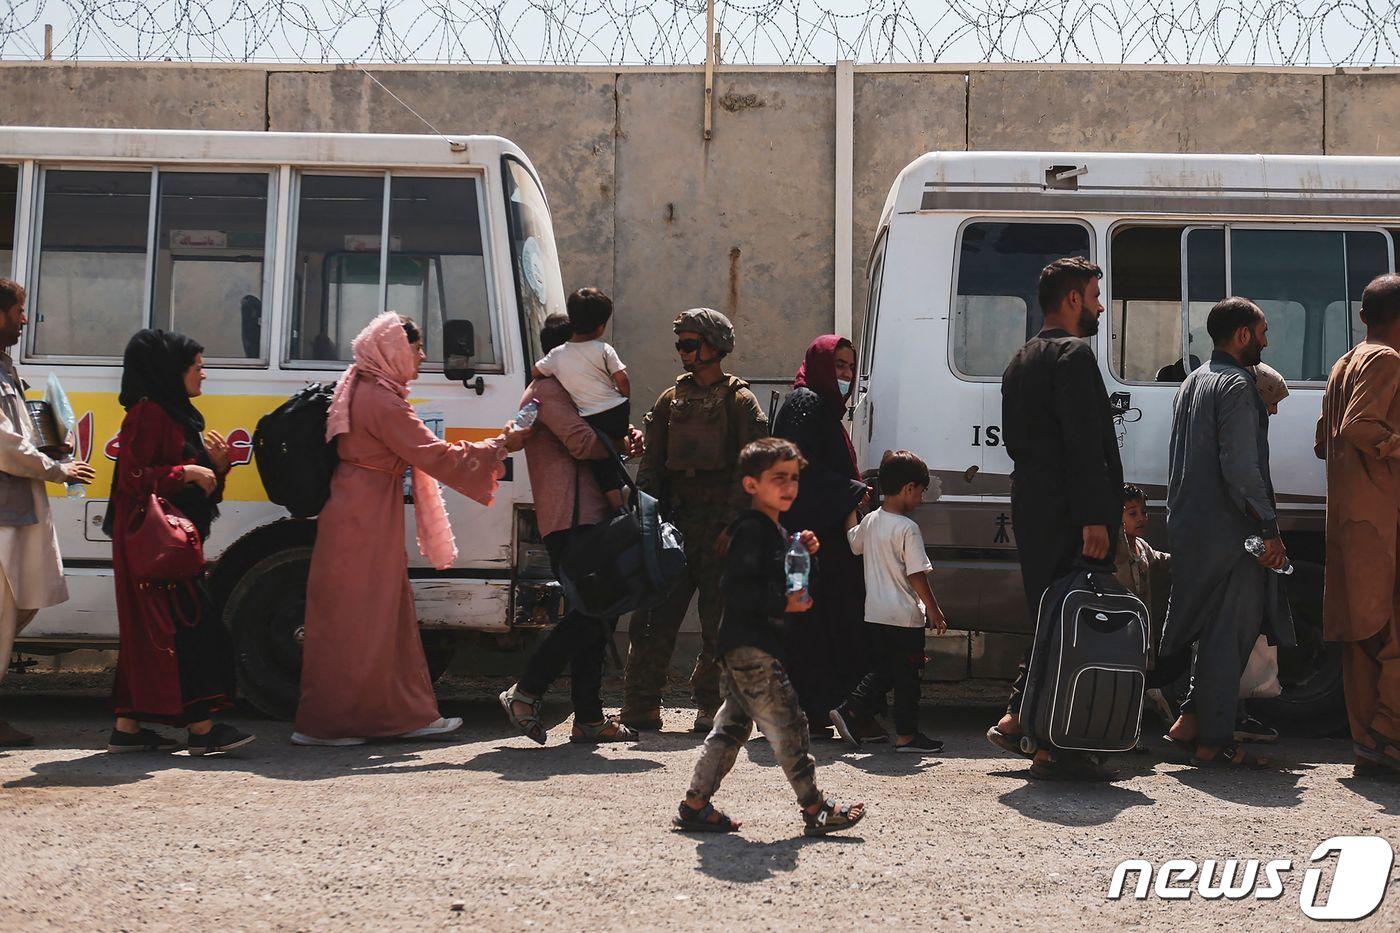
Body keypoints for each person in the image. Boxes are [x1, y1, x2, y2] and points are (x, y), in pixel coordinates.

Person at [292, 312, 527, 746]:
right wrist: (501, 444)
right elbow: (437, 456)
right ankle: (347, 722)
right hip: (365, 517)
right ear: (394, 351)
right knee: (368, 619)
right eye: (416, 348)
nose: (421, 356)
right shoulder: (382, 401)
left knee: (360, 617)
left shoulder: (358, 386)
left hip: (354, 508)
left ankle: (381, 715)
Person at [671, 437, 865, 836]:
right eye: (778, 478)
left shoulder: (773, 530)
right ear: (751, 484)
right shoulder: (751, 530)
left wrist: (804, 553)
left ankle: (695, 805)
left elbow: (782, 579)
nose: (789, 486)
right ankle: (815, 807)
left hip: (747, 647)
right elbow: (739, 589)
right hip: (753, 648)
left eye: (793, 478)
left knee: (731, 728)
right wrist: (783, 602)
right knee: (790, 723)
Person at [987, 257, 1123, 781]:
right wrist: (1093, 517)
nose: (1099, 307)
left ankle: (1021, 718)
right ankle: (1052, 742)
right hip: (1071, 512)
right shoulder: (1074, 355)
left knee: (1049, 616)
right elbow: (1084, 443)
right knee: (1075, 623)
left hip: (1033, 504)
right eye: (1094, 296)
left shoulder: (1019, 359)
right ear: (1072, 299)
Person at [105, 329, 253, 754]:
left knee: (149, 633)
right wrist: (186, 472)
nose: (203, 374)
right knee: (190, 627)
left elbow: (197, 490)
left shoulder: (176, 414)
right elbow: (133, 478)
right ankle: (203, 730)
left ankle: (127, 728)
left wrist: (216, 468)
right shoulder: (148, 413)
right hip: (154, 547)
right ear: (172, 371)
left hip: (169, 544)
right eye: (197, 367)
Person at [620, 309, 768, 734]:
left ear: (714, 347)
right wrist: (646, 517)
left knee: (719, 622)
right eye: (679, 344)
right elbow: (652, 464)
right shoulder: (671, 400)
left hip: (721, 524)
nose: (682, 351)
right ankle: (641, 704)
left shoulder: (740, 402)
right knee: (653, 616)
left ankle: (712, 705)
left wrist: (734, 524)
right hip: (676, 523)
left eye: (690, 343)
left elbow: (752, 469)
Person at [1161, 297, 1294, 769]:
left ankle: (1190, 720)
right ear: (1243, 335)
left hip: (1191, 527)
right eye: (1262, 331)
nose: (1266, 341)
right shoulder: (1238, 386)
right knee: (1228, 634)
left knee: (1211, 631)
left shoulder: (1194, 380)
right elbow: (1241, 468)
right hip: (1232, 533)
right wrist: (1269, 528)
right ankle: (1213, 742)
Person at [500, 313, 644, 745]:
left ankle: (589, 717)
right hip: (570, 518)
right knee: (590, 611)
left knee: (598, 613)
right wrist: (619, 441)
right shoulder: (547, 391)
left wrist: (626, 438)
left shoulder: (570, 388)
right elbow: (581, 442)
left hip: (589, 516)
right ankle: (526, 691)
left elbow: (597, 433)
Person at [0, 279, 94, 747]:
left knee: (21, 603)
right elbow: (5, 444)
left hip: (17, 509)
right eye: (18, 310)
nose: (24, 319)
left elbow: (20, 436)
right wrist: (56, 469)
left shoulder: (6, 368)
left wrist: (52, 445)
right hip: (4, 515)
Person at [1316, 273, 1400, 780]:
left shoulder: (1343, 363)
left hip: (1349, 521)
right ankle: (1387, 735)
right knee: (1390, 633)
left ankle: (1370, 745)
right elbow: (1358, 425)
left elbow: (1324, 440)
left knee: (1363, 639)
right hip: (1380, 523)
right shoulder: (1387, 359)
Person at [772, 335, 871, 740]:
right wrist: (850, 492)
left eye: (850, 367)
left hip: (818, 531)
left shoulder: (821, 408)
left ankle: (816, 710)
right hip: (808, 536)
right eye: (838, 366)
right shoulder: (806, 403)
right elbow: (797, 469)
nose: (845, 375)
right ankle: (810, 710)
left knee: (817, 624)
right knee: (810, 625)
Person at [829, 450, 948, 753]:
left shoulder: (871, 521)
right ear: (908, 488)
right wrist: (933, 609)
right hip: (904, 617)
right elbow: (916, 574)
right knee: (908, 678)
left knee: (885, 670)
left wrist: (851, 508)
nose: (921, 499)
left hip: (875, 615)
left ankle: (852, 708)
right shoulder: (907, 528)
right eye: (921, 492)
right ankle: (906, 734)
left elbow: (853, 542)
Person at [532, 288, 630, 509]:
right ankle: (621, 500)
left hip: (594, 418)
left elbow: (535, 371)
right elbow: (622, 379)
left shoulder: (556, 359)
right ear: (601, 327)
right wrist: (623, 400)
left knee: (603, 465)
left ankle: (618, 504)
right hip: (618, 409)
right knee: (609, 461)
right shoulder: (604, 349)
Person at [1114, 483, 1176, 727]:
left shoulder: (1141, 546)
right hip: (1119, 626)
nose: (1141, 518)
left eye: (1143, 512)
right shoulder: (1115, 546)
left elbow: (1160, 560)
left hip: (1140, 627)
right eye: (1132, 513)